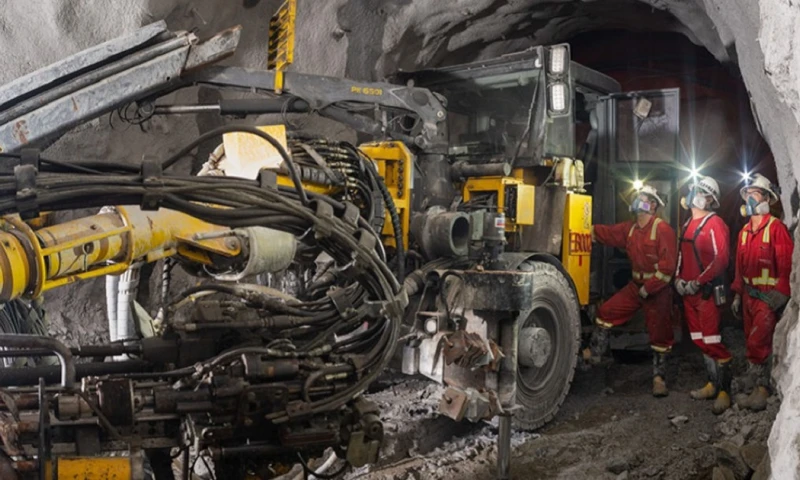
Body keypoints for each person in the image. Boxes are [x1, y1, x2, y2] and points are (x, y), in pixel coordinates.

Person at [585, 184, 677, 397]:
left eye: (644, 198)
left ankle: (659, 378)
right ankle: (596, 353)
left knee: (660, 333)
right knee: (607, 312)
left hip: (657, 290)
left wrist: (650, 287)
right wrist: (584, 228)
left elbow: (667, 268)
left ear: (653, 205)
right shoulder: (631, 228)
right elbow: (608, 233)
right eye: (637, 197)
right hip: (636, 286)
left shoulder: (662, 230)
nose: (638, 200)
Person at [731, 174, 793, 411]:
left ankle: (762, 390)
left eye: (755, 194)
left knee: (760, 342)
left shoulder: (775, 228)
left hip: (767, 298)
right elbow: (739, 268)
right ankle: (754, 380)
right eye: (747, 194)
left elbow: (787, 265)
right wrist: (737, 294)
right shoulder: (745, 232)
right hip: (749, 295)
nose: (749, 198)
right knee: (751, 339)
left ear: (767, 198)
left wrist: (781, 294)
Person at [674, 175, 732, 414]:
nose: (693, 194)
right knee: (699, 339)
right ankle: (711, 383)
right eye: (692, 189)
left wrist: (697, 282)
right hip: (688, 292)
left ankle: (724, 391)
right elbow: (681, 255)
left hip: (706, 293)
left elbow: (721, 260)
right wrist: (677, 279)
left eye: (698, 191)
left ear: (709, 199)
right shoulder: (688, 223)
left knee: (712, 339)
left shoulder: (715, 224)